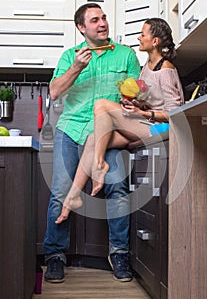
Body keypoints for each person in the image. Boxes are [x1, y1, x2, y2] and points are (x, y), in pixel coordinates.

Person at [43, 2, 141, 283]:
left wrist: (132, 98)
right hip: (71, 130)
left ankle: (119, 253)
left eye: (104, 18)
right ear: (81, 28)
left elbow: (136, 93)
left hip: (105, 135)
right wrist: (76, 67)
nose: (102, 23)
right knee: (60, 192)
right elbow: (55, 91)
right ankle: (55, 257)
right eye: (95, 20)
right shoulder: (70, 56)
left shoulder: (125, 55)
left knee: (117, 186)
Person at [55, 17, 184, 226]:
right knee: (94, 138)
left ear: (156, 42)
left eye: (143, 34)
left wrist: (144, 114)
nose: (139, 38)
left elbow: (175, 113)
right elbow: (151, 102)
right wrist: (137, 105)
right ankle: (72, 198)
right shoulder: (148, 66)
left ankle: (98, 167)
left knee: (101, 106)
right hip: (147, 126)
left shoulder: (166, 69)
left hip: (162, 129)